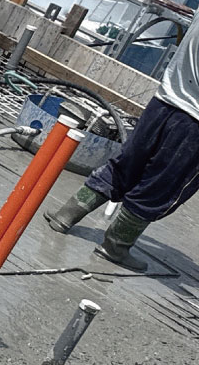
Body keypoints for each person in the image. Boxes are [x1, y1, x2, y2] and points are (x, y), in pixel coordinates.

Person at [46, 26, 199, 268]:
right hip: (193, 123)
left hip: (164, 101)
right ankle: (115, 246)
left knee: (127, 165)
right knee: (162, 186)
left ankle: (66, 215)